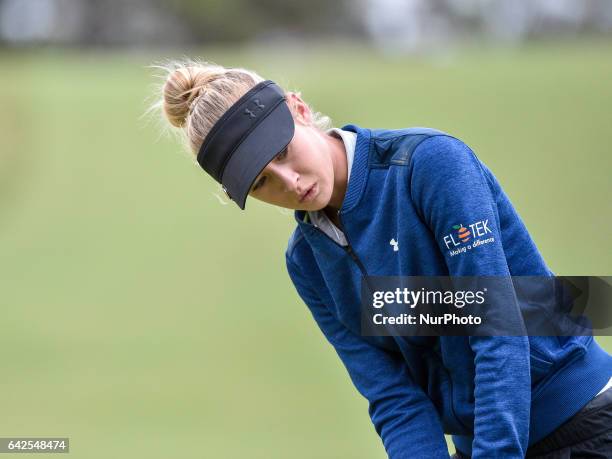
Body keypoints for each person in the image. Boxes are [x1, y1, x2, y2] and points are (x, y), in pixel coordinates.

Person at [154, 60, 612, 458]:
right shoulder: (307, 263)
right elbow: (394, 398)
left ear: (298, 109)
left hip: (585, 424)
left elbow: (498, 329)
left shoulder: (428, 166)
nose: (289, 182)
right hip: (486, 446)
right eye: (261, 184)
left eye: (284, 152)